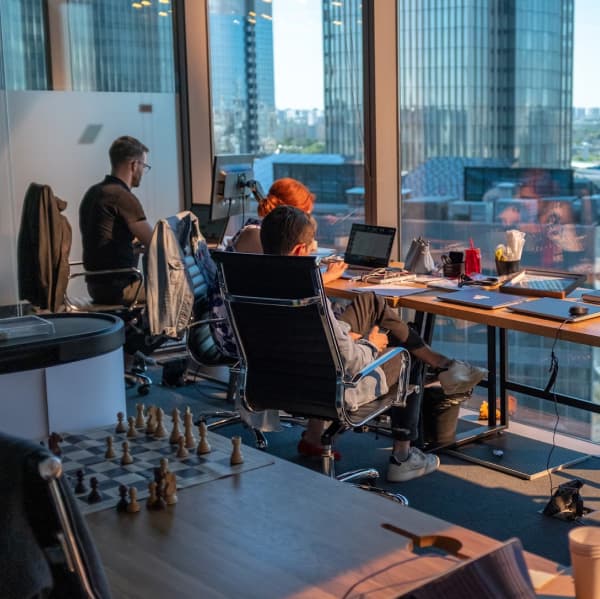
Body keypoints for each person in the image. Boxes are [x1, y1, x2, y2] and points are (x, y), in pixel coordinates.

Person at [260, 205, 488, 482]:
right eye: (310, 248)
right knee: (405, 353)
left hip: (279, 383)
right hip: (333, 387)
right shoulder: (309, 297)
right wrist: (371, 342)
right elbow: (350, 362)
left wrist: (346, 333)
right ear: (298, 251)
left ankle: (314, 436)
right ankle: (403, 457)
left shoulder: (258, 282)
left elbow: (321, 338)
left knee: (371, 302)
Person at [79, 135, 153, 305]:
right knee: (178, 290)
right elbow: (156, 242)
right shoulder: (122, 197)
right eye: (144, 165)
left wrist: (131, 249)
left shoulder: (93, 192)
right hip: (119, 288)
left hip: (96, 285)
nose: (143, 171)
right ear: (134, 165)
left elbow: (102, 241)